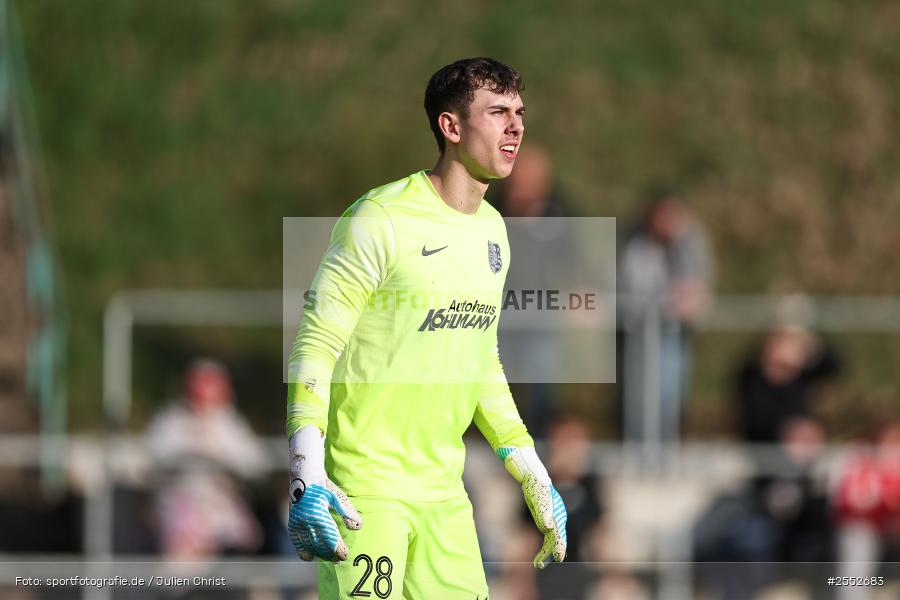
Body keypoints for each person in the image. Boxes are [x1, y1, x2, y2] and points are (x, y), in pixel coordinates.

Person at [285, 58, 568, 598]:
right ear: (452, 127)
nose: (516, 127)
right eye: (498, 112)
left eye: (519, 113)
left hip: (444, 495)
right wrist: (305, 473)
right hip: (366, 489)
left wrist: (531, 468)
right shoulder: (381, 218)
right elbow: (314, 345)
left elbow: (479, 357)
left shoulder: (494, 230)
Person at [145, 358, 268, 560]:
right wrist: (190, 453)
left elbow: (254, 464)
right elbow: (153, 459)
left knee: (246, 537)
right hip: (179, 504)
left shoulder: (231, 424)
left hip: (222, 504)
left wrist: (222, 459)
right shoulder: (171, 420)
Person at [618, 189, 713, 447]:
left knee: (670, 394)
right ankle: (637, 447)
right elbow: (624, 284)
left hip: (672, 334)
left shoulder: (688, 242)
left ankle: (667, 449)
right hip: (636, 332)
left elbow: (696, 291)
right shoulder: (633, 242)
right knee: (637, 395)